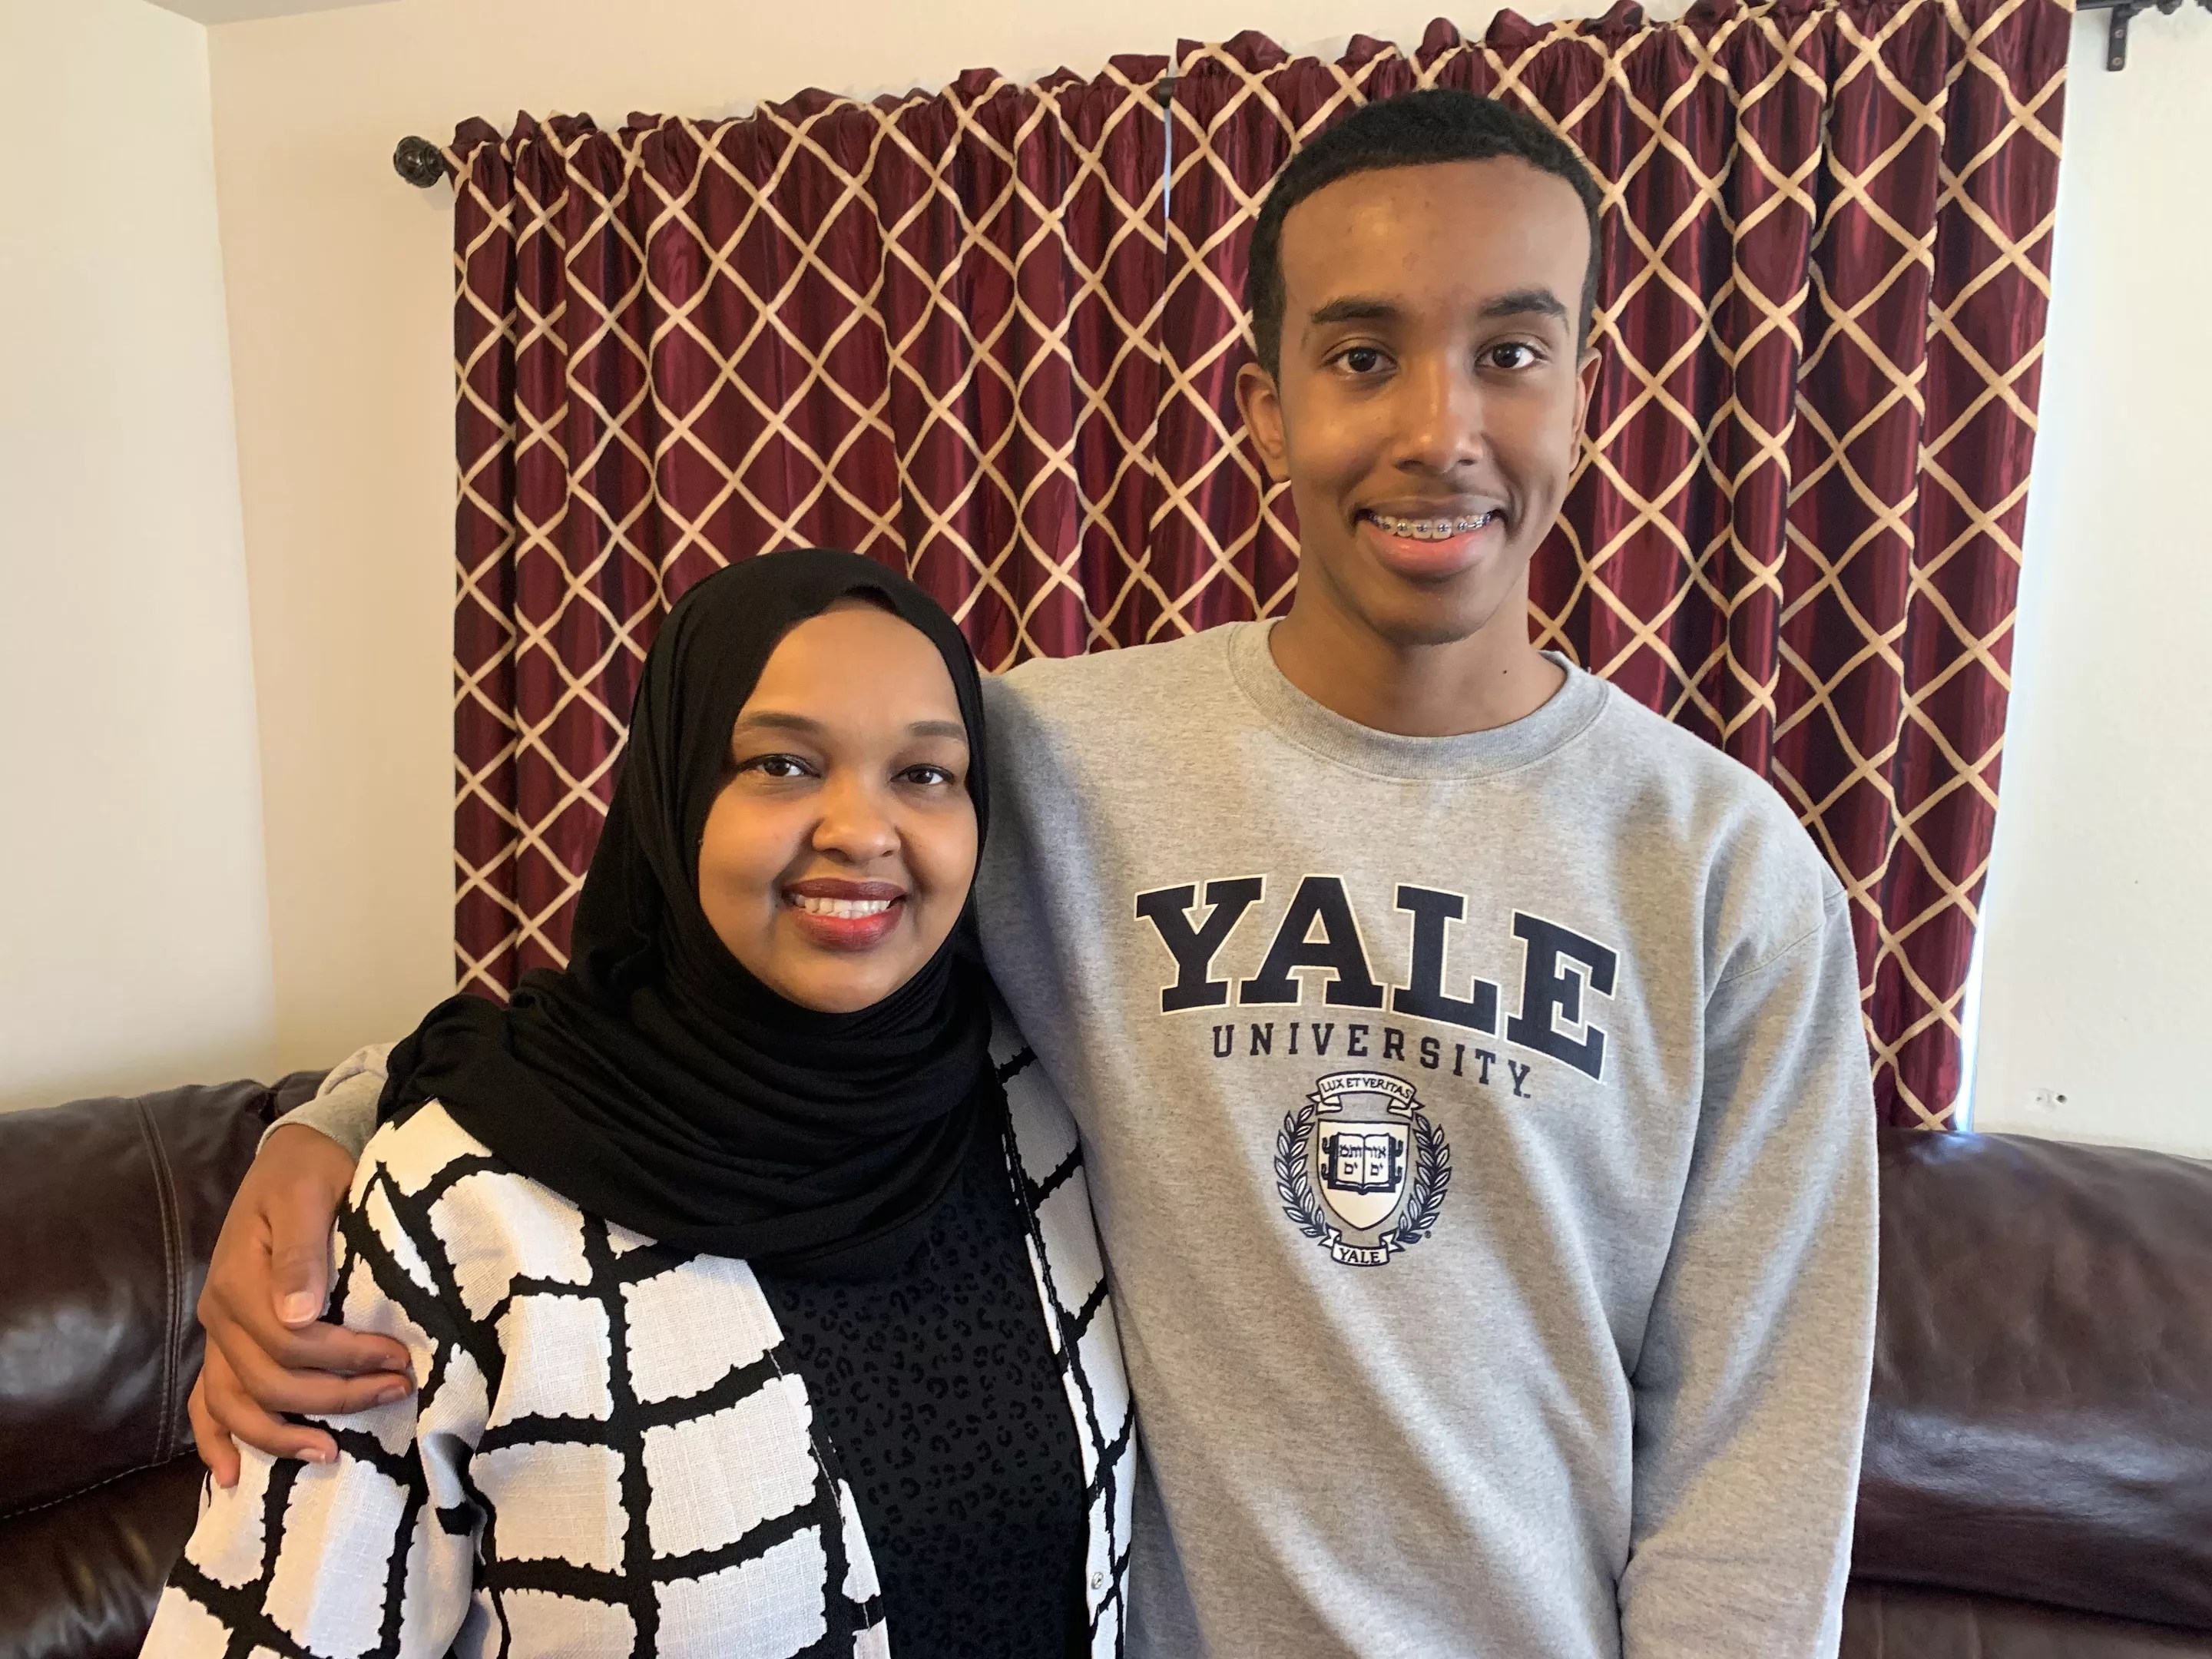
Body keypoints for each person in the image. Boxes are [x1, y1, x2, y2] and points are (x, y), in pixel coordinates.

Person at [194, 90, 1877, 1657]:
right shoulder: (1041, 764)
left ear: (1587, 387)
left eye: (1511, 351)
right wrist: (326, 1131)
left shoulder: (1727, 875)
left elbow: (1759, 1461)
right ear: (1266, 404)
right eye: (1364, 355)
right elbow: (684, 977)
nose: (1441, 429)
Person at [147, 550, 1135, 1659]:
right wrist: (314, 1130)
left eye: (925, 774)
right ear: (674, 790)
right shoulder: (463, 1201)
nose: (863, 830)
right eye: (782, 764)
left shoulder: (1033, 1096)